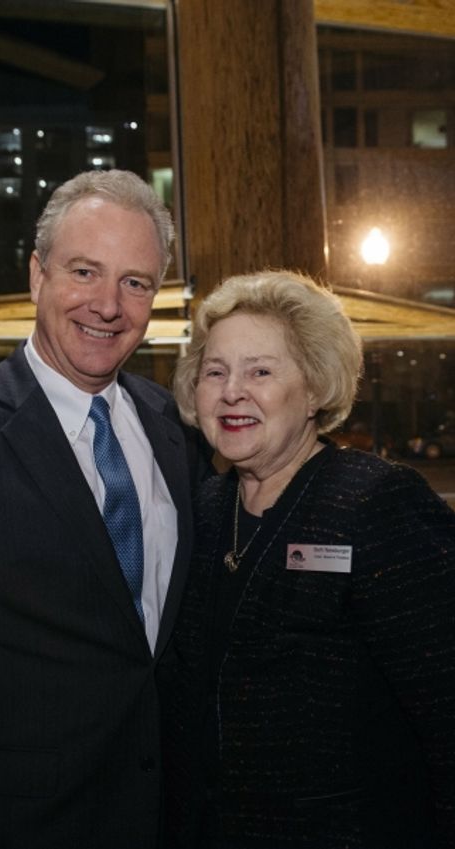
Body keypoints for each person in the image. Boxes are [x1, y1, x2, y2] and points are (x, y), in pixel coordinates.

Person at [0, 169, 210, 849]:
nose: (108, 305)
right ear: (37, 275)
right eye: (85, 270)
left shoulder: (173, 425)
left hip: (167, 818)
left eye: (135, 282)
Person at [162, 270, 455, 849]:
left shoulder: (376, 502)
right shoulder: (202, 506)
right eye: (214, 372)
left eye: (261, 372)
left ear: (317, 388)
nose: (231, 392)